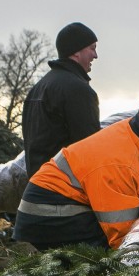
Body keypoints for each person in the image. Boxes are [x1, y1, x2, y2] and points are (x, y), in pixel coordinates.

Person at [12, 89, 139, 250]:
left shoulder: (137, 138)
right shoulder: (121, 164)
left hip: (60, 205)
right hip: (47, 214)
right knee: (105, 254)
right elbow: (121, 237)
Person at [21, 22, 100, 178]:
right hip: (64, 191)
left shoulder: (37, 89)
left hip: (36, 189)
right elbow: (90, 150)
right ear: (76, 52)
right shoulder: (78, 90)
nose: (96, 55)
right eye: (92, 48)